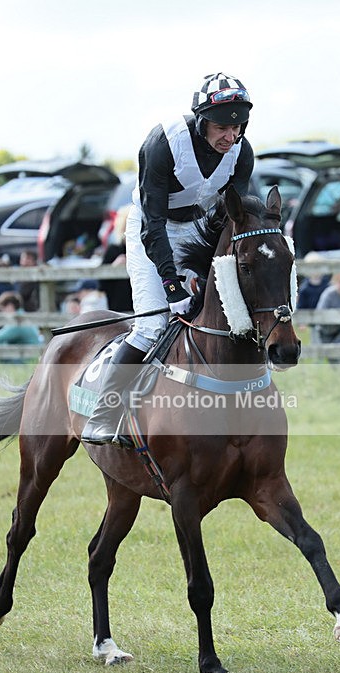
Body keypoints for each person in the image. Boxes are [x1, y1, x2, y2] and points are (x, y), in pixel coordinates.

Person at [82, 72, 255, 445]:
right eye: (223, 126)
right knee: (153, 326)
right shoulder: (164, 143)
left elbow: (234, 218)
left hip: (197, 227)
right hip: (150, 229)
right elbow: (152, 225)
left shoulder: (242, 152)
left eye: (238, 126)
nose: (231, 135)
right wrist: (172, 285)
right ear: (202, 120)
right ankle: (103, 412)